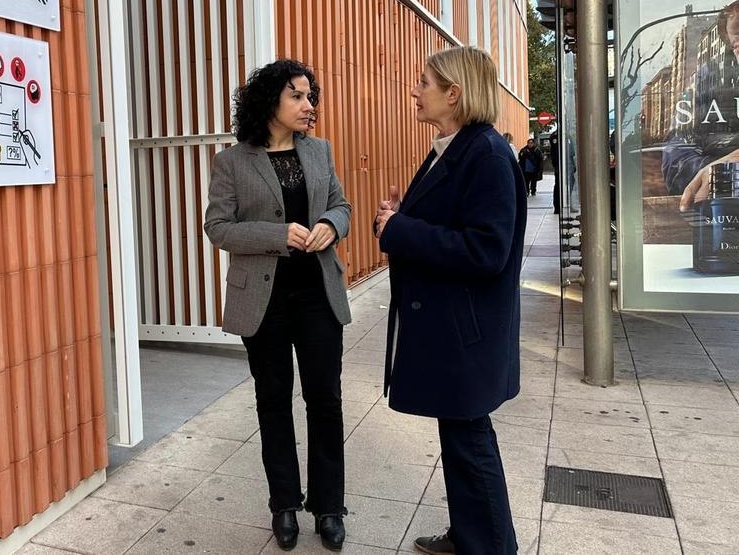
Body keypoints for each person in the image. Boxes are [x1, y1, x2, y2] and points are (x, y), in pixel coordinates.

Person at [373, 46, 524, 555]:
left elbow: (487, 250)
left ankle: (492, 547)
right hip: (455, 329)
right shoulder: (454, 145)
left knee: (470, 443)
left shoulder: (484, 154)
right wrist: (398, 217)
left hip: (467, 331)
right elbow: (447, 222)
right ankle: (469, 536)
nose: (414, 91)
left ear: (454, 94)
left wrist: (401, 228)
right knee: (459, 442)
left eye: (424, 83)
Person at [204, 59, 353, 551]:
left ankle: (329, 507)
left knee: (325, 402)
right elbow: (218, 228)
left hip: (317, 294)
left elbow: (341, 205)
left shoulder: (320, 151)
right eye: (298, 96)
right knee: (273, 402)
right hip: (263, 301)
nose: (309, 106)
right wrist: (276, 235)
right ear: (270, 101)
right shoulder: (232, 161)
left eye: (311, 96)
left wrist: (332, 224)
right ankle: (284, 505)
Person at [663, 0, 739, 211]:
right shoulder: (706, 79)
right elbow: (674, 157)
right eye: (737, 44)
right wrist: (714, 171)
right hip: (719, 215)